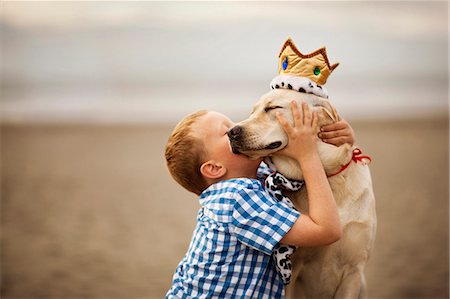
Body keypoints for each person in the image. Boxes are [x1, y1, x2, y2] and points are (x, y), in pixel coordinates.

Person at [164, 101, 354, 298]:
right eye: (228, 132)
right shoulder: (235, 199)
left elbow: (301, 172)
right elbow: (326, 230)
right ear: (214, 168)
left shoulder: (259, 176)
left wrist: (337, 140)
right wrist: (308, 155)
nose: (240, 128)